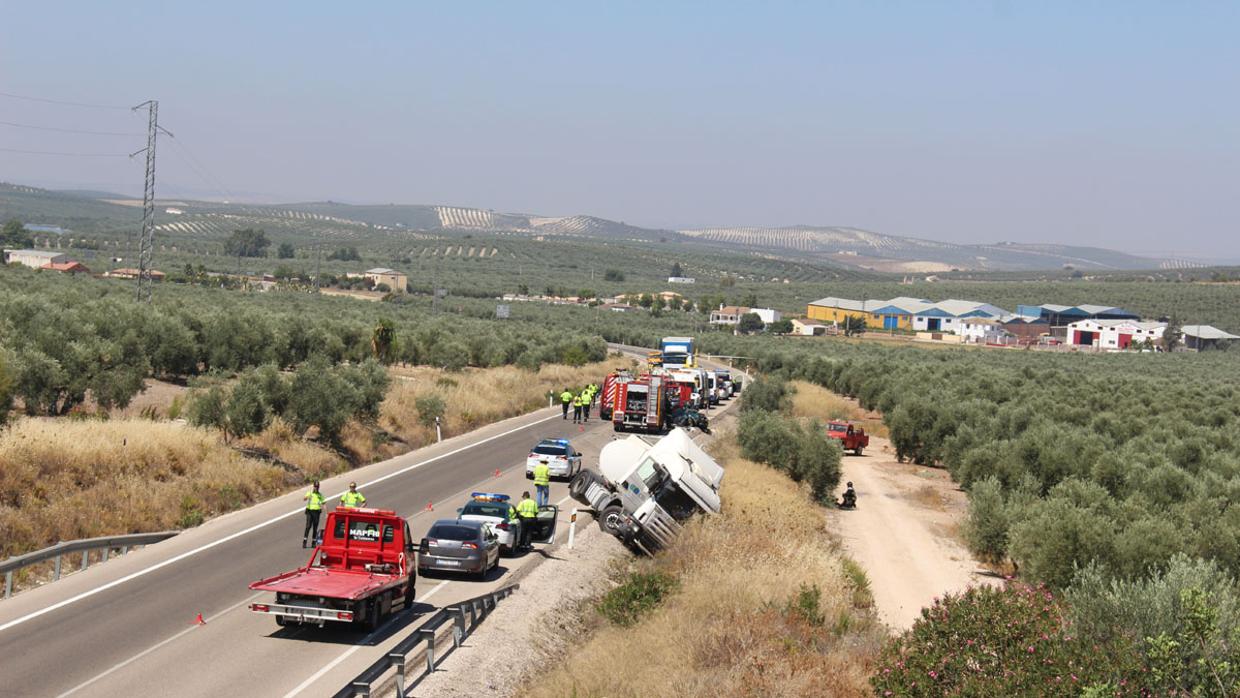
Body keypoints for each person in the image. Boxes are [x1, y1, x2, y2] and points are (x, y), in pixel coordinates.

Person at [302, 481, 325, 548]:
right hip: (309, 511)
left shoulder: (320, 495)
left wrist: (326, 513)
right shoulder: (310, 493)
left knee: (315, 527)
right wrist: (307, 497)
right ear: (313, 486)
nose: (316, 488)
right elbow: (304, 498)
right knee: (308, 526)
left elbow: (324, 503)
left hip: (316, 512)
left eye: (317, 487)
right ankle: (304, 541)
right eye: (315, 486)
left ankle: (313, 542)